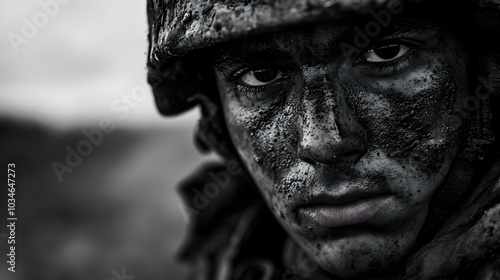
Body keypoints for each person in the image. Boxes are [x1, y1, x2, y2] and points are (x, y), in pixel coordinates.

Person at [146, 0, 500, 279]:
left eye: (385, 53)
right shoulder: (231, 253)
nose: (323, 141)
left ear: (484, 72)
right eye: (262, 76)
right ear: (217, 120)